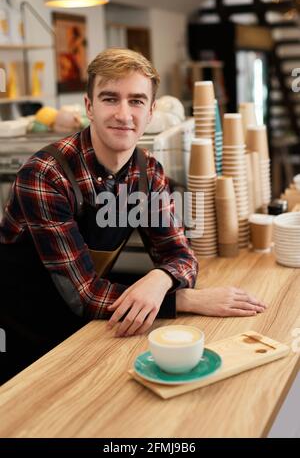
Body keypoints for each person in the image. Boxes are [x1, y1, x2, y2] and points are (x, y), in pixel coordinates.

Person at [0, 48, 266, 384]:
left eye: (137, 101)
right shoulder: (46, 175)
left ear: (151, 111)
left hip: (88, 328)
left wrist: (160, 279)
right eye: (110, 98)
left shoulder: (148, 172)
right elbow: (83, 295)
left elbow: (180, 254)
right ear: (89, 107)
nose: (124, 114)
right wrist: (184, 297)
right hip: (25, 331)